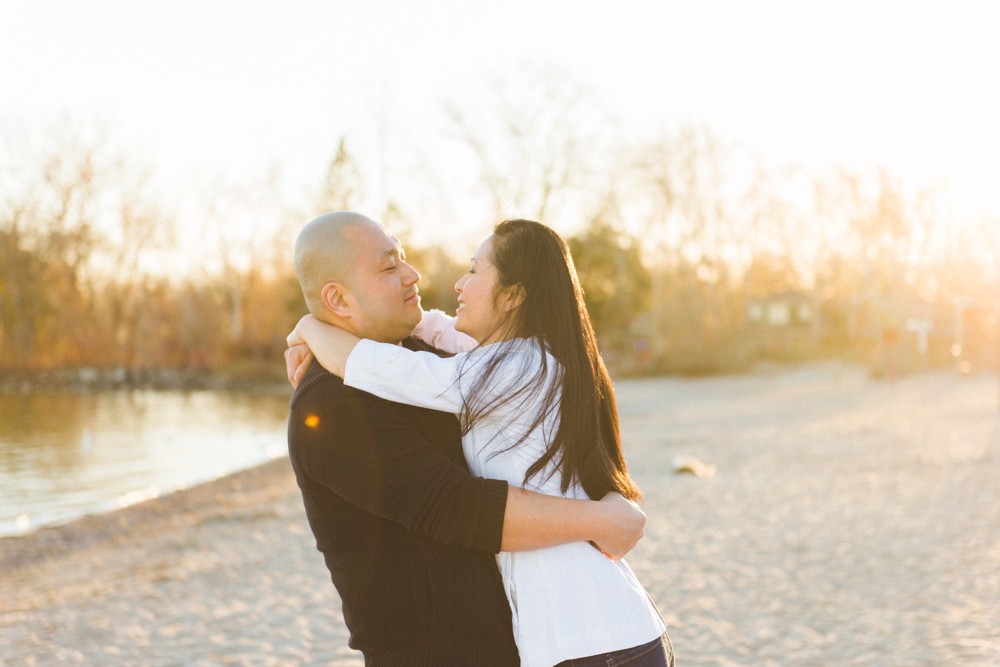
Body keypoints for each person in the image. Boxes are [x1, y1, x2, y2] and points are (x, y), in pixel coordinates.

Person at [287, 218, 673, 667]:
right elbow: (460, 507)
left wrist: (314, 329)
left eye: (473, 271)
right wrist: (600, 520)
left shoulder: (481, 367)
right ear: (338, 298)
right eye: (390, 267)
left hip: (580, 641)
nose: (415, 275)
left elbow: (428, 349)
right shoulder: (330, 405)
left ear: (514, 295)